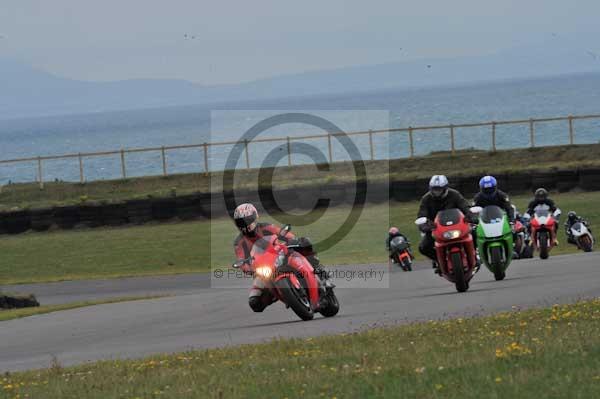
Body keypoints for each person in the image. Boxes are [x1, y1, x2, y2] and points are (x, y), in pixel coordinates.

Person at [232, 203, 330, 312]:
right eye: (241, 222)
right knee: (254, 302)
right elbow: (241, 259)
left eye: (247, 220)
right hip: (263, 270)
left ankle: (317, 268)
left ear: (255, 217)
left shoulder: (265, 227)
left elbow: (282, 233)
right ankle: (278, 294)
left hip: (280, 256)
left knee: (304, 242)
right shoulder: (239, 242)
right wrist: (248, 268)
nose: (245, 224)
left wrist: (292, 240)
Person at [417, 175, 478, 274]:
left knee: (475, 234)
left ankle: (474, 255)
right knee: (424, 247)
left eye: (439, 189)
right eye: (434, 189)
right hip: (436, 228)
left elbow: (465, 206)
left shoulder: (455, 195)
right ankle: (439, 261)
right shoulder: (426, 199)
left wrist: (471, 216)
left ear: (445, 188)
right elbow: (421, 214)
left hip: (457, 226)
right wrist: (424, 226)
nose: (436, 192)